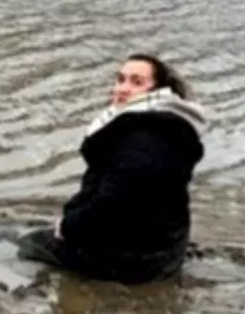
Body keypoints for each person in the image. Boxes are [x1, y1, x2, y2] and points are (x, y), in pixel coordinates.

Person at [17, 53, 208, 284]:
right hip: (166, 245)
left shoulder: (144, 140)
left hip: (134, 262)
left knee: (25, 245)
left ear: (158, 90)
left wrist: (67, 227)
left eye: (136, 82)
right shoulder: (170, 127)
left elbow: (110, 205)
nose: (122, 88)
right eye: (120, 79)